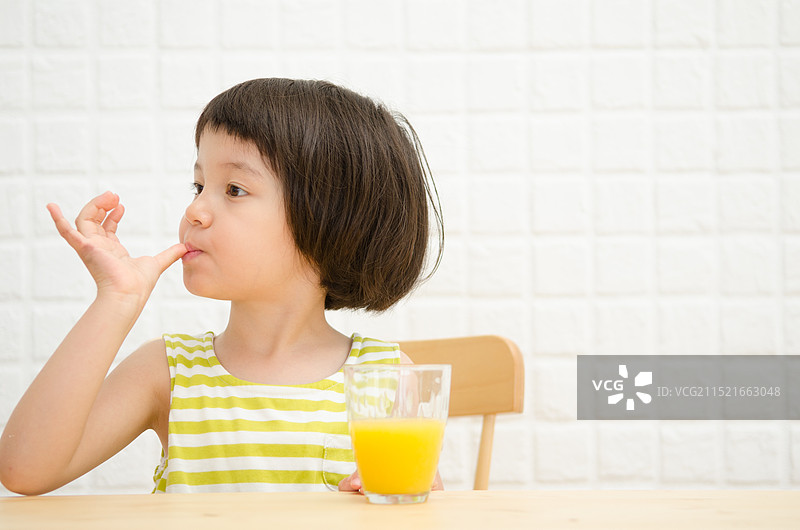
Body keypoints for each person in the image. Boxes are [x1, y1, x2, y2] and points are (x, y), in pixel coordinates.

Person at [0, 78, 443, 495]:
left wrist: (401, 492)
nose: (195, 210)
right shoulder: (168, 371)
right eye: (198, 185)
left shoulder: (385, 376)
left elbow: (421, 503)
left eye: (233, 189)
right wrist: (117, 300)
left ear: (332, 219)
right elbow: (25, 469)